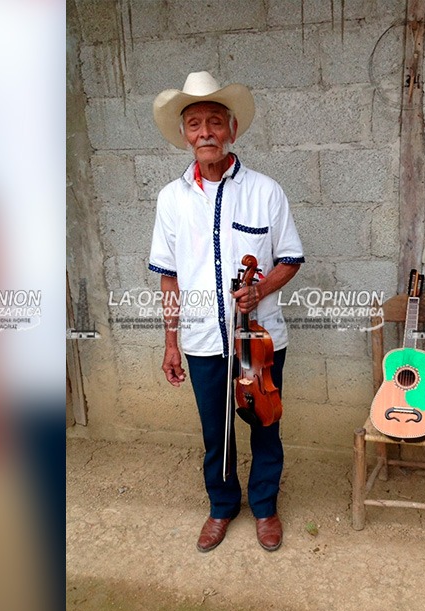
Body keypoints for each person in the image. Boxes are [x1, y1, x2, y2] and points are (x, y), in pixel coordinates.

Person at [148, 71, 304, 553]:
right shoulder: (171, 200)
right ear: (184, 135)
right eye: (195, 124)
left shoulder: (266, 191)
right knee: (215, 431)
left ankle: (264, 507)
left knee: (264, 425)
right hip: (199, 340)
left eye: (215, 122)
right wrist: (171, 341)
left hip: (258, 340)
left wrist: (260, 292)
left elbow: (291, 259)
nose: (205, 133)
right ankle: (221, 506)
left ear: (232, 130)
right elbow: (169, 275)